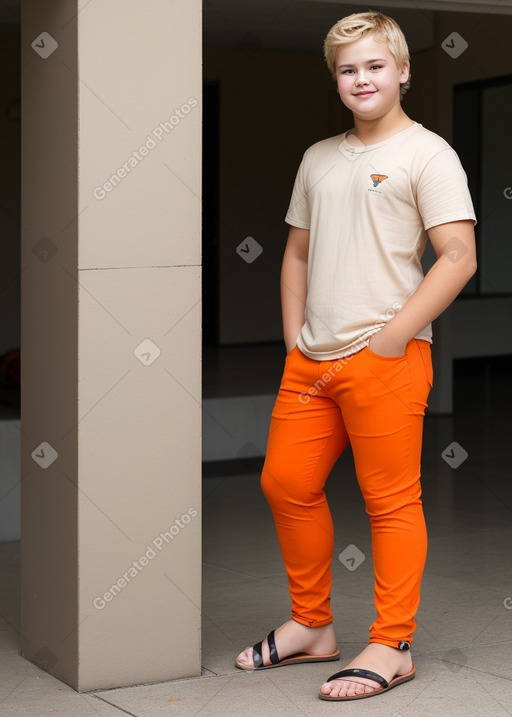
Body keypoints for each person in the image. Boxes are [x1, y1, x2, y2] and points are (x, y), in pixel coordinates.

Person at [235, 10, 477, 702]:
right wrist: (293, 346)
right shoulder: (317, 157)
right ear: (336, 80)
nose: (361, 78)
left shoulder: (427, 154)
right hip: (311, 362)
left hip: (387, 358)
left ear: (402, 70)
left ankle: (392, 641)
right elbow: (297, 255)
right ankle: (312, 626)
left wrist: (393, 337)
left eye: (375, 65)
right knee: (285, 482)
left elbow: (458, 255)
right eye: (348, 69)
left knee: (391, 501)